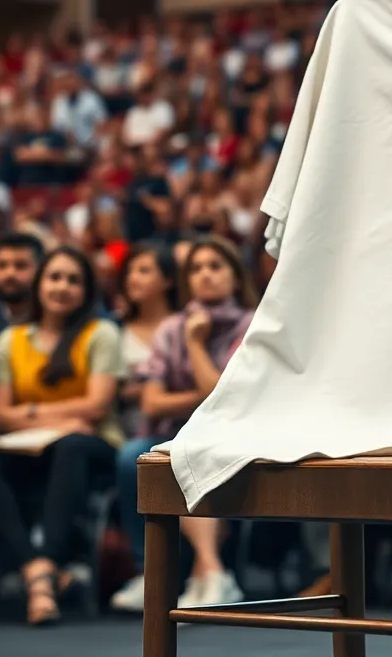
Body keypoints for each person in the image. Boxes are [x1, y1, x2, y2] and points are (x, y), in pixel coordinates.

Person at [0, 247, 123, 625]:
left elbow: (97, 407)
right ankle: (36, 569)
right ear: (39, 285)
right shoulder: (11, 340)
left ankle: (44, 566)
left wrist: (31, 414)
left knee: (71, 446)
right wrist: (59, 418)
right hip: (28, 449)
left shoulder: (101, 333)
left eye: (73, 280)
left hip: (91, 449)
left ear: (86, 290)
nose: (62, 287)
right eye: (54, 277)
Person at [110, 236, 256, 612]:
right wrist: (202, 395)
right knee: (131, 456)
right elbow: (153, 401)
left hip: (233, 435)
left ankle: (198, 572)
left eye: (215, 267)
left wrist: (195, 343)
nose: (205, 275)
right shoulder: (170, 327)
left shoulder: (252, 327)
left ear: (236, 278)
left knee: (191, 453)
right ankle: (170, 572)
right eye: (196, 268)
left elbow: (227, 400)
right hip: (174, 432)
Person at [115, 243, 179, 436]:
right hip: (126, 423)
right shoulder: (115, 328)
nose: (132, 279)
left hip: (179, 419)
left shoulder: (185, 325)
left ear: (168, 280)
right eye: (129, 272)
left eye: (143, 271)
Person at [0, 232, 44, 343]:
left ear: (41, 271)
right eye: (2, 265)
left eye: (20, 266)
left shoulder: (52, 322)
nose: (10, 273)